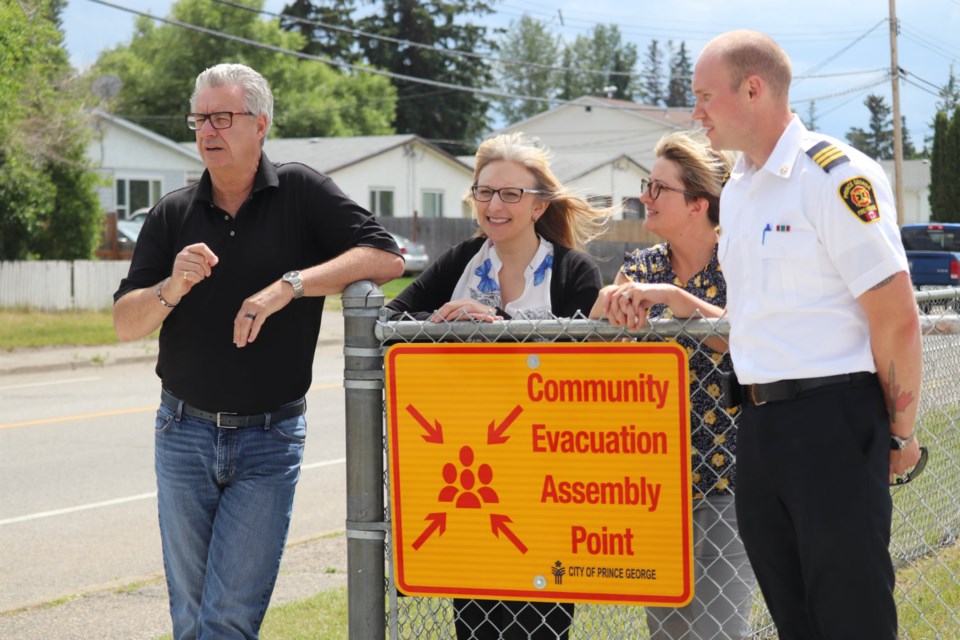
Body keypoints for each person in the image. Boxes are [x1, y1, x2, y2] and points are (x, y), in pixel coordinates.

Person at [112, 63, 404, 640]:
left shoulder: (301, 191)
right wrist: (173, 286)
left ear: (260, 124)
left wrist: (289, 285)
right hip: (183, 434)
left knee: (227, 619)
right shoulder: (172, 211)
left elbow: (386, 257)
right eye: (200, 119)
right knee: (191, 617)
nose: (207, 131)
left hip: (269, 441)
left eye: (223, 117)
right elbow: (125, 323)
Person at [690, 30, 923, 639]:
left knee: (852, 618)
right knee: (794, 620)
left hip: (834, 425)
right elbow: (755, 321)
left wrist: (900, 433)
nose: (697, 113)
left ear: (753, 88)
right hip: (761, 427)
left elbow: (895, 315)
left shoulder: (833, 175)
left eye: (705, 96)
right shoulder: (737, 191)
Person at [387, 131, 611, 639]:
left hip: (545, 475)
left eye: (511, 194)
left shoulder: (572, 271)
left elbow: (587, 369)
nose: (495, 204)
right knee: (477, 621)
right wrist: (445, 318)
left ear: (538, 206)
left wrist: (498, 321)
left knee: (542, 624)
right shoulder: (460, 262)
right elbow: (390, 322)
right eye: (485, 191)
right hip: (470, 474)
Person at [590, 130, 757, 639]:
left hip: (729, 481)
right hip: (653, 486)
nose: (645, 196)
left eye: (658, 188)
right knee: (666, 629)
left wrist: (682, 303)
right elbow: (599, 353)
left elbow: (753, 341)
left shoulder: (742, 261)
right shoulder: (641, 268)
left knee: (720, 628)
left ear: (698, 204)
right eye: (647, 184)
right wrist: (602, 309)